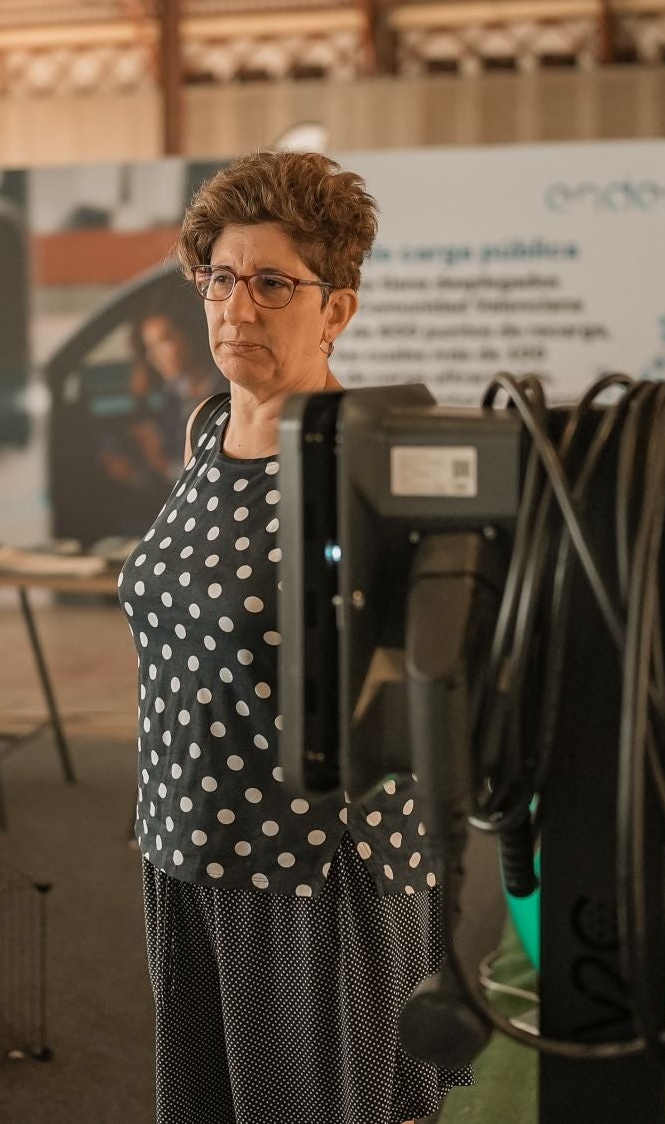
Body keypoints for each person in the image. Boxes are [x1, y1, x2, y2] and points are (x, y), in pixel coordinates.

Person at [121, 152, 471, 1124]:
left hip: (313, 874)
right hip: (189, 852)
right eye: (220, 279)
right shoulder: (205, 433)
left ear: (338, 309)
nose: (238, 307)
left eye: (273, 283)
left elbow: (435, 674)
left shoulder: (371, 454)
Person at [126, 310, 220, 483]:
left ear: (189, 336)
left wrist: (161, 463)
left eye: (163, 341)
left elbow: (206, 478)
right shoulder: (173, 395)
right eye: (149, 348)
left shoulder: (225, 391)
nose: (153, 356)